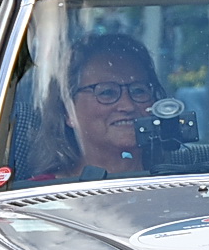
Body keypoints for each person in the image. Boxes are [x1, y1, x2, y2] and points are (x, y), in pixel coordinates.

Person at [41, 35, 166, 180]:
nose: (128, 105)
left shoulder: (180, 184)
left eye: (139, 90)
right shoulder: (34, 196)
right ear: (68, 111)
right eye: (107, 92)